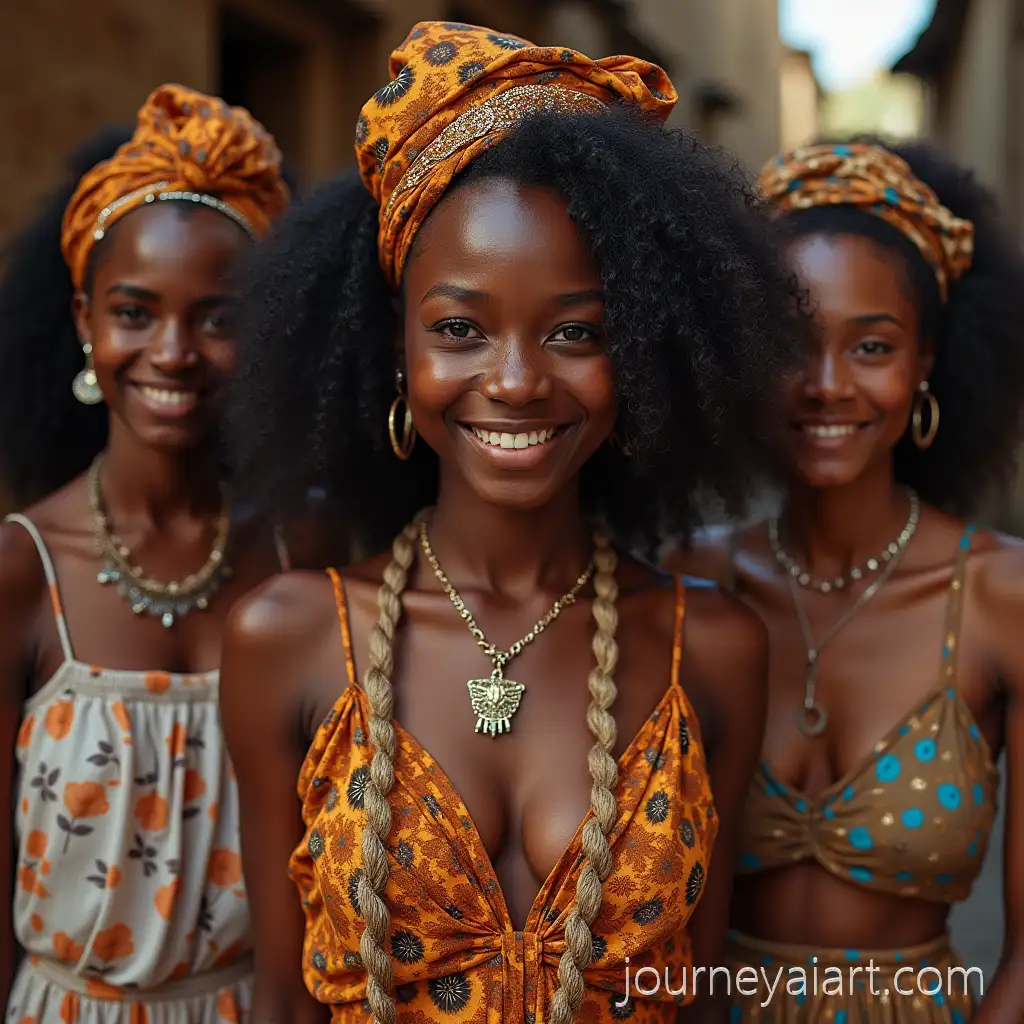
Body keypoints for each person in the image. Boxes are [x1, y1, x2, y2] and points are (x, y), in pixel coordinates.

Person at [219, 21, 808, 1024]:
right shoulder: (287, 636)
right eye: (459, 328)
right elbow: (280, 1001)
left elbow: (700, 997)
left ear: (647, 362)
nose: (518, 380)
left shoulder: (708, 648)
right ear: (387, 349)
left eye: (577, 331)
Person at [665, 139, 1024, 1022]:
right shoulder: (685, 585)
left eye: (872, 346)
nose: (828, 385)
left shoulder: (1000, 597)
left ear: (927, 361)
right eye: (791, 342)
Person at [0, 84, 290, 1022]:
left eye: (219, 319)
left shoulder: (300, 553)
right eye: (134, 312)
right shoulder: (21, 570)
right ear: (84, 319)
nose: (173, 352)